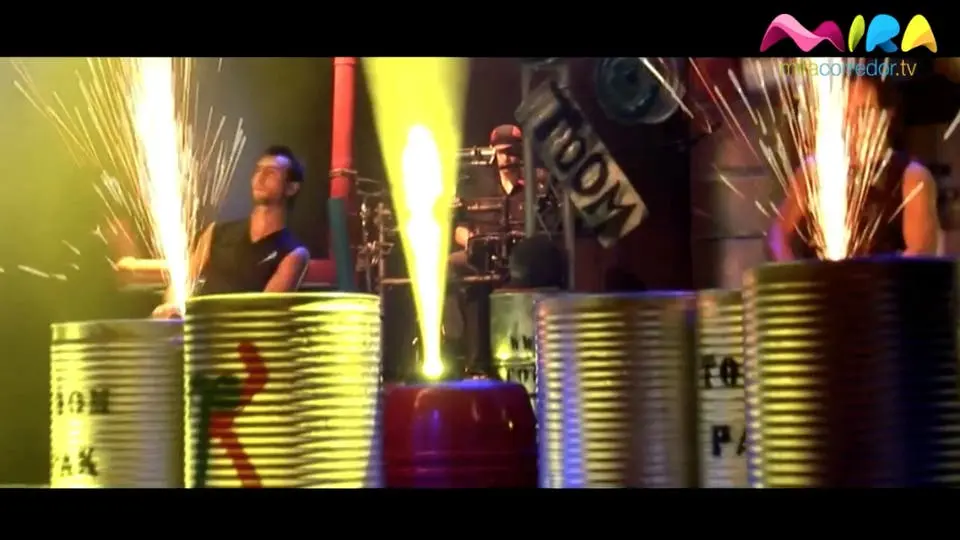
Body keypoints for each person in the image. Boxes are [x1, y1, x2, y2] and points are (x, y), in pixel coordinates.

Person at [768, 77, 942, 261]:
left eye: (863, 112)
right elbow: (777, 236)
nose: (852, 123)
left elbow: (920, 254)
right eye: (845, 114)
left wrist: (867, 277)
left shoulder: (912, 177)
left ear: (887, 115)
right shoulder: (815, 171)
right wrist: (794, 274)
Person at [152, 145, 311, 318]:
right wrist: (171, 307)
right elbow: (181, 283)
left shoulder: (293, 254)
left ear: (291, 188)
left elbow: (265, 314)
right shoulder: (215, 232)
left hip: (237, 332)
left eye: (271, 173)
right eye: (258, 170)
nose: (260, 178)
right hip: (195, 326)